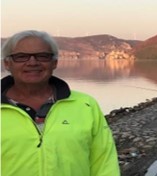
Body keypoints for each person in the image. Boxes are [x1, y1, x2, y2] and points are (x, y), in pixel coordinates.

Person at [1, 30, 120, 176]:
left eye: (43, 56)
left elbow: (104, 162)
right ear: (7, 63)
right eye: (21, 57)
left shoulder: (85, 105)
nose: (32, 62)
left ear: (54, 63)